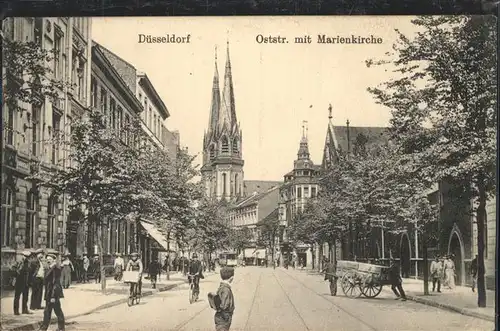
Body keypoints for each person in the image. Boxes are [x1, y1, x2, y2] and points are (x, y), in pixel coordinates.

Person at [38, 252, 65, 331]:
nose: (48, 260)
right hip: (49, 292)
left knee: (55, 311)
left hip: (53, 293)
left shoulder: (56, 269)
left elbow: (55, 284)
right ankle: (46, 327)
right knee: (49, 311)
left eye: (50, 259)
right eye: (47, 259)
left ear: (54, 260)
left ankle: (59, 327)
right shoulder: (49, 268)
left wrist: (53, 296)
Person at [214, 267, 235, 331]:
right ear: (231, 278)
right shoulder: (226, 289)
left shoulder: (222, 286)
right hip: (223, 318)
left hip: (220, 317)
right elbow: (224, 305)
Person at [13, 250, 33, 315]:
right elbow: (13, 268)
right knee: (17, 296)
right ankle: (16, 311)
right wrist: (16, 275)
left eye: (28, 257)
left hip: (26, 282)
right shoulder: (19, 262)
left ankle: (24, 309)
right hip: (19, 282)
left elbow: (29, 272)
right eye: (26, 257)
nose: (27, 258)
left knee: (25, 296)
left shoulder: (28, 263)